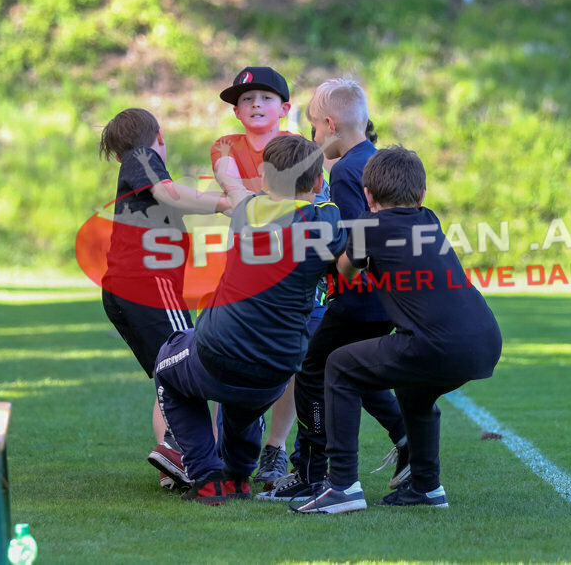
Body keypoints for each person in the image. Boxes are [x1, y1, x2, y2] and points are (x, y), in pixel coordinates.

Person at [292, 146, 502, 513]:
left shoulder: (367, 227)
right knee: (414, 392)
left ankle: (342, 486)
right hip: (485, 340)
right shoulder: (429, 219)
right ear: (422, 195)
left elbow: (346, 270)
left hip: (436, 344)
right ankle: (426, 487)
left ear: (368, 195)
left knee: (338, 365)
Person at [154, 134, 347, 505]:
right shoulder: (325, 218)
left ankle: (207, 476)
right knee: (242, 406)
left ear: (265, 179)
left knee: (167, 366)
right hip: (279, 365)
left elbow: (232, 183)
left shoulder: (247, 209)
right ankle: (238, 478)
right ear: (317, 184)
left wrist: (224, 156)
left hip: (219, 352)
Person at [269, 79, 409, 501]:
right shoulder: (376, 159)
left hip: (360, 296)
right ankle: (409, 440)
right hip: (384, 296)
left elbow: (353, 236)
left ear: (330, 125)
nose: (313, 137)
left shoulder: (346, 169)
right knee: (354, 371)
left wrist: (323, 262)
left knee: (313, 372)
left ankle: (311, 472)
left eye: (314, 127)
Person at [97, 107, 229, 491]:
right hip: (148, 284)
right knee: (193, 361)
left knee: (168, 374)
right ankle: (179, 448)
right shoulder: (143, 158)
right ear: (159, 138)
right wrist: (224, 203)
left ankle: (174, 466)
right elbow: (168, 191)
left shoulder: (132, 167)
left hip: (122, 290)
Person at [210, 66, 301, 484]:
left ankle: (275, 448)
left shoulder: (300, 147)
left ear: (284, 108)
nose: (255, 104)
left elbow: (308, 201)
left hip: (288, 267)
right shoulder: (225, 145)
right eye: (246, 99)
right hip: (243, 268)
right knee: (225, 351)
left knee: (291, 359)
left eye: (265, 98)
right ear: (236, 111)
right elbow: (234, 190)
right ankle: (219, 449)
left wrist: (255, 207)